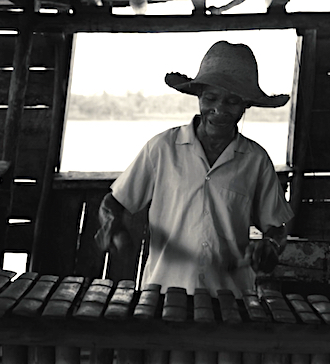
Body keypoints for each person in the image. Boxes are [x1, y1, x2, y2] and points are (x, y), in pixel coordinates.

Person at [95, 41, 294, 297]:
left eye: (232, 101)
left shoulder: (256, 160)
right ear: (199, 96)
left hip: (231, 298)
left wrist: (269, 245)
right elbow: (113, 202)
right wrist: (113, 224)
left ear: (246, 105)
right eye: (211, 98)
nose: (219, 109)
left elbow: (276, 226)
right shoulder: (162, 148)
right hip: (162, 294)